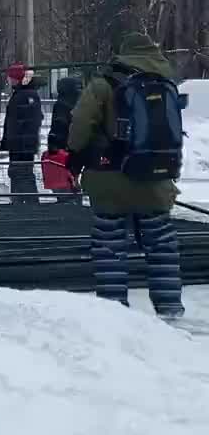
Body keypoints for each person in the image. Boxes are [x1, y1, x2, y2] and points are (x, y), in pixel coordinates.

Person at [67, 33, 184, 318]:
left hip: (110, 179)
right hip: (156, 179)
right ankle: (169, 307)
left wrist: (75, 154)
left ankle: (114, 310)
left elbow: (81, 125)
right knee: (162, 246)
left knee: (110, 247)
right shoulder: (167, 81)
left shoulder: (104, 83)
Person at [0, 63, 44, 204]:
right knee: (18, 174)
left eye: (10, 77)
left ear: (16, 78)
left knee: (22, 175)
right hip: (21, 144)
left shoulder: (24, 95)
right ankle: (20, 203)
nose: (8, 80)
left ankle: (28, 205)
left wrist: (16, 140)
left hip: (22, 145)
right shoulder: (22, 94)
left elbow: (30, 121)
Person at [45, 76, 83, 203]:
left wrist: (53, 146)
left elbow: (58, 126)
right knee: (73, 178)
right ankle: (75, 202)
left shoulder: (61, 104)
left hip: (62, 148)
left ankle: (66, 204)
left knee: (61, 179)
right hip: (76, 146)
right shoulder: (79, 103)